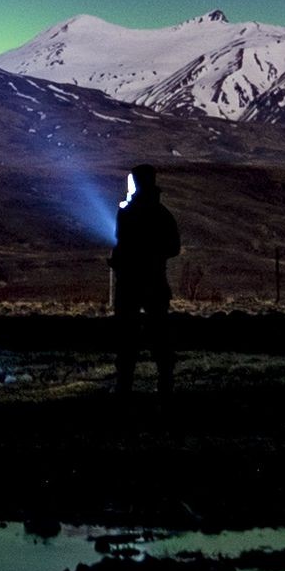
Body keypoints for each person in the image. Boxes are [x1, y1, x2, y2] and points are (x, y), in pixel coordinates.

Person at [109, 165, 180, 397]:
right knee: (159, 332)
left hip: (130, 282)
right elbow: (173, 247)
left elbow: (121, 243)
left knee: (127, 334)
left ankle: (125, 385)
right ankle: (165, 383)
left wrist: (123, 260)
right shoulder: (162, 214)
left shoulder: (128, 213)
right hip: (154, 280)